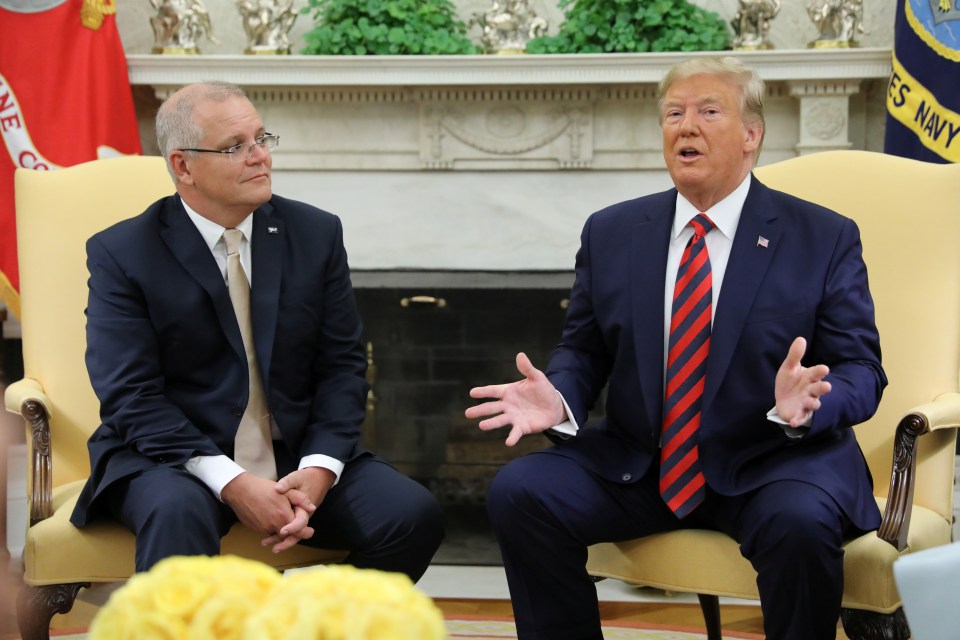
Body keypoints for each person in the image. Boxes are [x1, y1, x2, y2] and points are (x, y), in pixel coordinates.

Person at [465, 57, 885, 640]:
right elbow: (585, 349)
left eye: (709, 112)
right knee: (521, 493)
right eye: (673, 114)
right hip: (645, 464)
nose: (686, 126)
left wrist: (812, 403)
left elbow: (862, 367)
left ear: (751, 135)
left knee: (800, 522)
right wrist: (560, 399)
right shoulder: (612, 232)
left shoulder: (822, 235)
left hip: (771, 460)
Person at [70, 81, 444, 581]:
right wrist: (232, 482)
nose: (260, 157)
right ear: (182, 166)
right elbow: (131, 396)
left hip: (295, 454)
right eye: (235, 147)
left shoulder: (315, 234)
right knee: (176, 515)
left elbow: (342, 367)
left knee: (409, 515)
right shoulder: (124, 253)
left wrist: (319, 468)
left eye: (261, 138)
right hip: (173, 460)